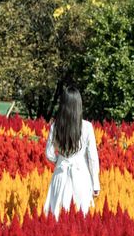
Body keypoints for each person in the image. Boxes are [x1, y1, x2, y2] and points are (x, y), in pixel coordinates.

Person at [43, 85, 100, 219]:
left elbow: (49, 153)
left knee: (57, 214)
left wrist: (60, 161)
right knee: (80, 216)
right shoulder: (87, 127)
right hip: (81, 176)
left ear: (63, 105)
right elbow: (92, 158)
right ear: (78, 105)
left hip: (60, 173)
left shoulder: (55, 126)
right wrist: (96, 183)